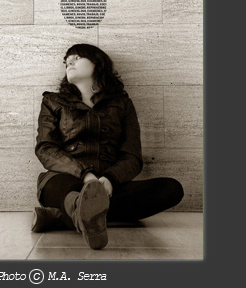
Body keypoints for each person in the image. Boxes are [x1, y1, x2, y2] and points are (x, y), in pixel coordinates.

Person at [32, 43, 184, 250]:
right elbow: (46, 148)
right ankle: (81, 210)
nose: (69, 62)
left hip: (110, 185)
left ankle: (62, 217)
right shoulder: (52, 101)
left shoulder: (122, 104)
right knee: (62, 189)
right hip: (65, 180)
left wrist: (110, 179)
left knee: (171, 189)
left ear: (97, 63)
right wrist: (85, 175)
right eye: (67, 60)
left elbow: (132, 156)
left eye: (77, 57)